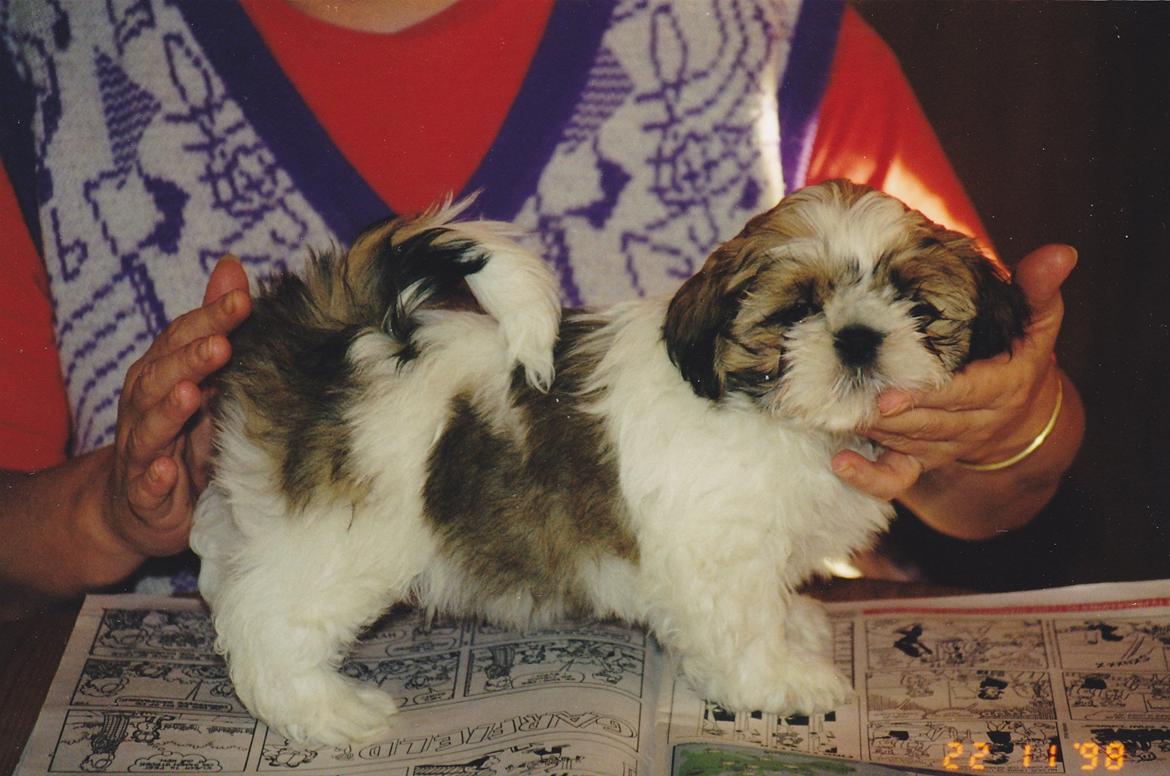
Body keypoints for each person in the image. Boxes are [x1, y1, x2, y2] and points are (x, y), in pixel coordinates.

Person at [0, 0, 1083, 616]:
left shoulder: (771, 35)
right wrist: (102, 511)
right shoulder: (49, 60)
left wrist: (1003, 427)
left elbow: (1006, 488)